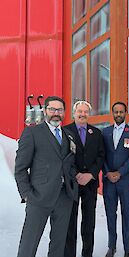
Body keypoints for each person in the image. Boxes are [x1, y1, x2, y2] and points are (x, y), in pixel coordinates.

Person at [14, 96, 78, 257]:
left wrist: (72, 185)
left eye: (60, 110)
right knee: (29, 244)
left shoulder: (69, 135)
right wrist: (27, 194)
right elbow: (20, 168)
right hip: (38, 196)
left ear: (64, 112)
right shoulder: (32, 132)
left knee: (58, 245)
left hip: (64, 196)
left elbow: (70, 163)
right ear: (45, 111)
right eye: (52, 109)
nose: (56, 113)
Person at [64, 101, 105, 257]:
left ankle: (87, 253)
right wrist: (75, 175)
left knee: (89, 223)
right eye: (79, 111)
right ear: (74, 113)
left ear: (89, 114)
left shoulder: (96, 133)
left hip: (90, 183)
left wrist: (91, 174)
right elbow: (64, 157)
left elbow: (101, 156)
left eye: (85, 111)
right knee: (70, 222)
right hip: (71, 183)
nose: (82, 114)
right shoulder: (65, 131)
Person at [102, 102, 129, 257]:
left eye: (121, 112)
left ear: (125, 113)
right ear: (113, 113)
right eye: (116, 112)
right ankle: (112, 246)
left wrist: (120, 172)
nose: (118, 114)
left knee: (127, 214)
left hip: (125, 180)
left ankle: (128, 249)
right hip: (108, 180)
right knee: (111, 213)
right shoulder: (105, 132)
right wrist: (108, 172)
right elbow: (101, 155)